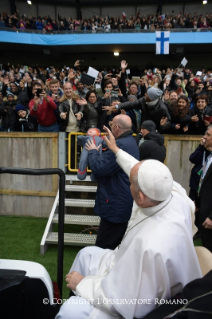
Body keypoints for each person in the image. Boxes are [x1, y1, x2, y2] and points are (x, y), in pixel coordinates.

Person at [55, 125, 201, 319]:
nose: (128, 183)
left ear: (140, 196)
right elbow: (136, 169)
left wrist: (81, 284)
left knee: (70, 310)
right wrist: (115, 150)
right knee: (86, 254)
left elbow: (124, 300)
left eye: (130, 183)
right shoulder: (176, 196)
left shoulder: (148, 246)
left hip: (139, 301)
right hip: (133, 269)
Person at [85, 114, 139, 250]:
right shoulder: (130, 141)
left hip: (115, 204)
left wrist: (93, 152)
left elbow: (98, 169)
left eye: (111, 125)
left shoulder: (120, 146)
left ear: (116, 128)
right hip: (121, 200)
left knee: (103, 248)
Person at [103, 87, 171, 133]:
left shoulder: (162, 108)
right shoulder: (143, 101)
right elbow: (131, 104)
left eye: (147, 94)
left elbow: (168, 122)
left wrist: (163, 125)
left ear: (151, 98)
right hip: (142, 130)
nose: (145, 94)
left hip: (154, 132)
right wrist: (116, 106)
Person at [196, 125, 212, 252]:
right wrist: (198, 202)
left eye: (208, 135)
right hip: (204, 210)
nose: (204, 137)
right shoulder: (209, 155)